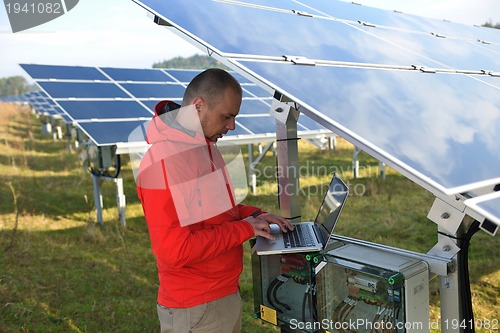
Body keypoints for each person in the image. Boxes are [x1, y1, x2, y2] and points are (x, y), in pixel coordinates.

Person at [136, 68, 294, 333]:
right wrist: (246, 228)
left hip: (219, 295)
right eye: (227, 116)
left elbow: (218, 209)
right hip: (195, 307)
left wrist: (255, 216)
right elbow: (175, 251)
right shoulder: (164, 161)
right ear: (198, 106)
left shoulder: (203, 146)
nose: (231, 126)